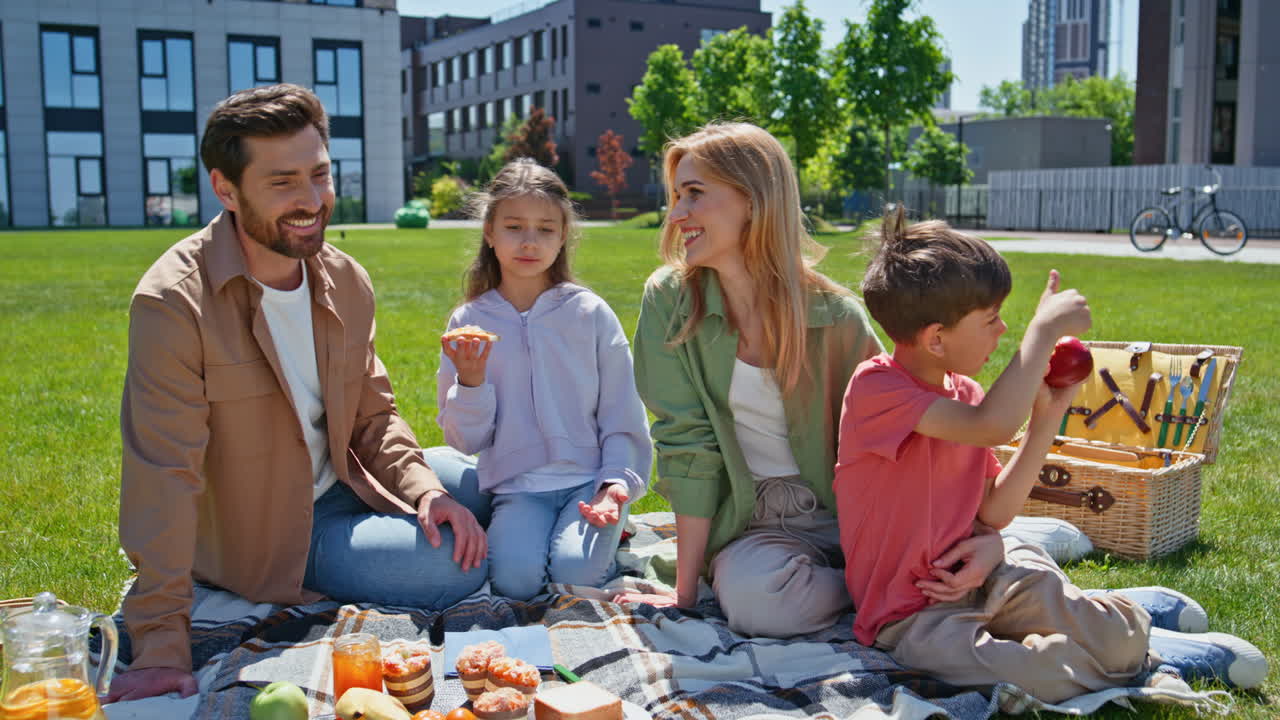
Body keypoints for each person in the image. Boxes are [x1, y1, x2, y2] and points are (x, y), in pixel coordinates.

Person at [110, 84, 489, 703]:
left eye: (320, 175)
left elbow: (375, 413)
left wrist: (426, 492)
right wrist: (159, 646)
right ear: (226, 189)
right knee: (451, 567)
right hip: (274, 535)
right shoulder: (173, 304)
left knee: (479, 486)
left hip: (348, 478)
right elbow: (162, 475)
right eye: (283, 182)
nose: (312, 201)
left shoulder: (345, 279)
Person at [834, 209, 1268, 702]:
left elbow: (995, 511)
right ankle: (1149, 665)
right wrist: (1040, 336)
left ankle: (1127, 641)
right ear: (936, 338)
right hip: (910, 617)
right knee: (1035, 675)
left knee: (1110, 637)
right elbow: (990, 427)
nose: (1003, 331)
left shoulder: (969, 393)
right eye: (992, 319)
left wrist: (1046, 421)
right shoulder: (875, 389)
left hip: (985, 573)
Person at [614, 122, 1002, 638]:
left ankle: (883, 577)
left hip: (852, 519)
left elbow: (916, 436)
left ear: (753, 201)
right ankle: (873, 588)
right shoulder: (670, 301)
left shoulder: (837, 318)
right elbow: (687, 446)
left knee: (975, 567)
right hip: (750, 528)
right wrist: (686, 594)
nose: (677, 213)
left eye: (695, 194)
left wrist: (988, 536)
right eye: (676, 195)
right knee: (762, 606)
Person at [435, 158, 652, 601]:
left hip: (589, 482)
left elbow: (622, 414)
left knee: (575, 579)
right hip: (518, 489)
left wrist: (615, 486)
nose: (529, 242)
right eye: (514, 227)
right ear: (489, 233)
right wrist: (471, 383)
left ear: (563, 237)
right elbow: (465, 441)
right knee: (514, 584)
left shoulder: (589, 314)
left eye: (545, 229)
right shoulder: (469, 321)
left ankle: (611, 534)